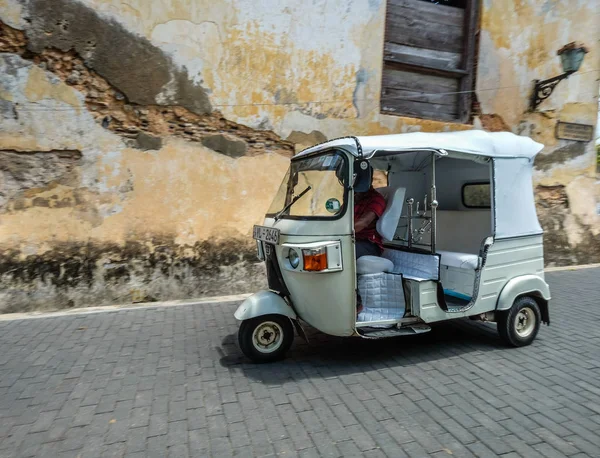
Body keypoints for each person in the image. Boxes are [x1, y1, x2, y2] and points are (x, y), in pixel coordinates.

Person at [354, 177, 386, 259]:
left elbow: (364, 222)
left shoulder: (376, 199)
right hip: (353, 240)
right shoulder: (354, 198)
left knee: (338, 251)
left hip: (369, 244)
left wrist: (339, 231)